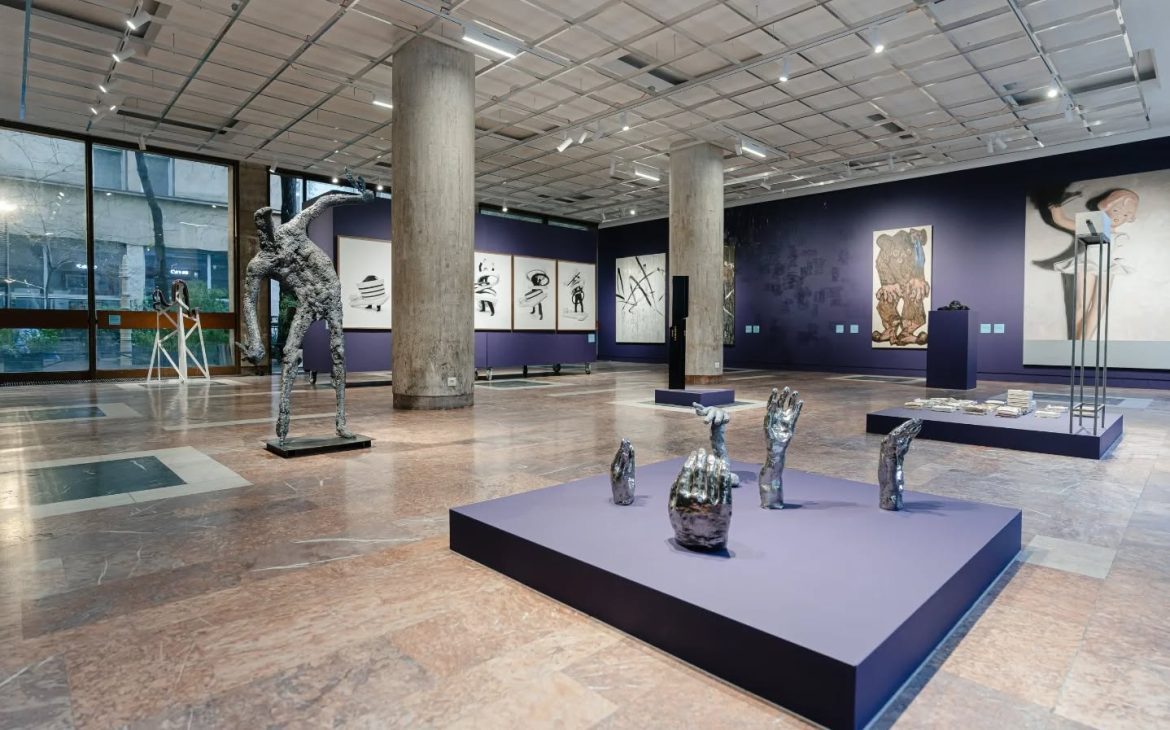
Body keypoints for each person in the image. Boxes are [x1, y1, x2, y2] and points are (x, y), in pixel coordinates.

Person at [1034, 187, 1137, 339]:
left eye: (1126, 215)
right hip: (1088, 265)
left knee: (1099, 306)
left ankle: (1084, 341)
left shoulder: (1113, 231)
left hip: (1107, 267)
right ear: (1106, 207)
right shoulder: (1095, 224)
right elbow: (1061, 220)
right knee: (1082, 305)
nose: (1119, 217)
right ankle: (1077, 343)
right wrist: (1054, 202)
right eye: (1116, 210)